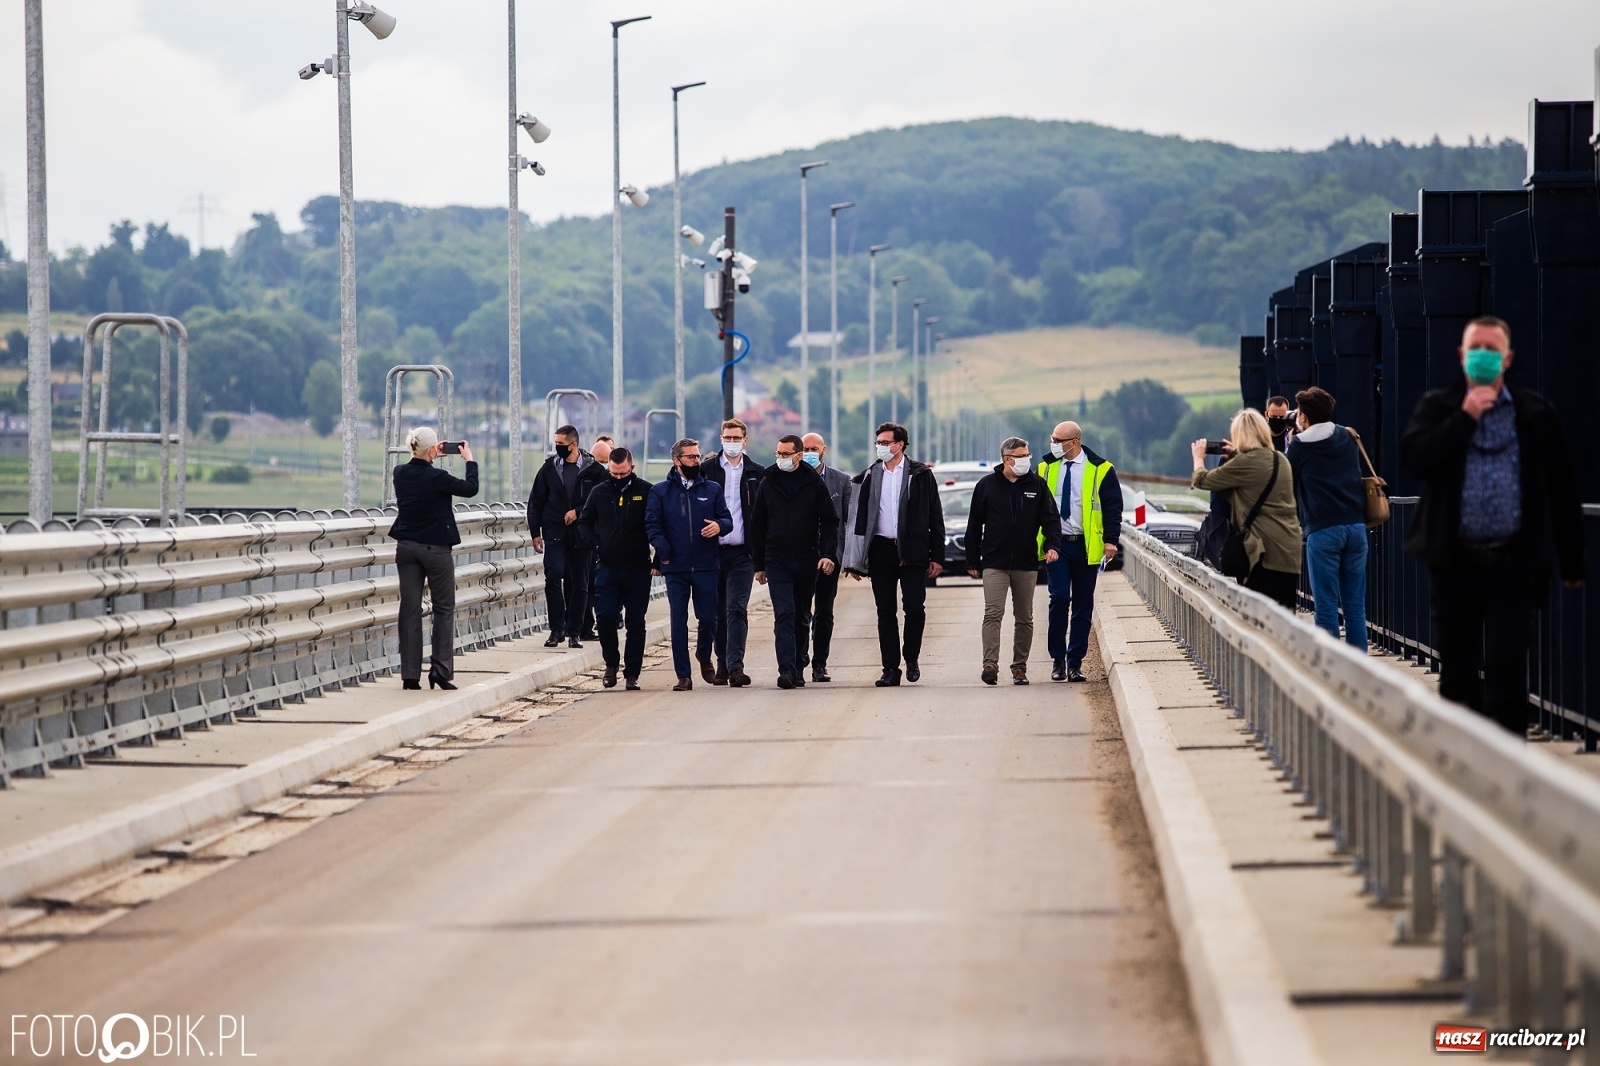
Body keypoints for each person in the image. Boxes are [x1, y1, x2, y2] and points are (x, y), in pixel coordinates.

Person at [1400, 316, 1585, 735]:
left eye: (1492, 348)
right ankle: (1461, 765)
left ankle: (1509, 771)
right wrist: (1464, 418)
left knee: (1507, 668)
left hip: (1513, 559)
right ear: (1463, 356)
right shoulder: (1440, 406)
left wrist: (1572, 559)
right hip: (1454, 559)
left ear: (1508, 358)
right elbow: (1415, 458)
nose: (1483, 355)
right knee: (1458, 670)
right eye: (1476, 348)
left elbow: (1561, 486)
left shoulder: (1534, 413)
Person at [849, 422, 944, 687]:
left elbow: (935, 516)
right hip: (880, 550)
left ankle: (911, 657)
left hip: (913, 550)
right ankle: (890, 668)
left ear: (900, 444)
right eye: (878, 442)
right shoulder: (870, 474)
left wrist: (937, 555)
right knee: (885, 610)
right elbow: (857, 519)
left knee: (914, 606)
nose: (880, 447)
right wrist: (854, 559)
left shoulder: (920, 474)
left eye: (885, 442)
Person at [388, 428, 478, 691]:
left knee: (410, 609)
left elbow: (418, 469)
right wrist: (469, 460)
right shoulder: (438, 477)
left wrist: (427, 454)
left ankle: (410, 675)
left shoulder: (399, 473)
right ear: (432, 450)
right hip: (435, 550)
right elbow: (470, 489)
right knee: (443, 609)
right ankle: (440, 670)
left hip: (405, 548)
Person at [966, 437, 1061, 685]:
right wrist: (972, 559)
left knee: (1024, 618)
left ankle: (1019, 667)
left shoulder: (1037, 485)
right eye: (1022, 456)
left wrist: (1052, 545)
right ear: (1007, 459)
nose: (1027, 460)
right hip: (994, 562)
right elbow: (974, 525)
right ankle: (990, 664)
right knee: (993, 613)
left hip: (1026, 562)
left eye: (1028, 455)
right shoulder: (986, 486)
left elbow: (1051, 519)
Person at [751, 434, 840, 689]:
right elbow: (757, 524)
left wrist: (827, 554)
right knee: (784, 613)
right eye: (778, 454)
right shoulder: (768, 482)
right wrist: (759, 564)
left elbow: (830, 522)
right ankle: (786, 670)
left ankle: (799, 665)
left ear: (799, 456)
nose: (781, 459)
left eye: (786, 454)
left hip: (807, 558)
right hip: (776, 558)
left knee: (801, 615)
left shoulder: (813, 483)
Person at [1190, 409, 1302, 611]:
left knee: (1259, 618)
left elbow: (1203, 480)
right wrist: (1235, 454)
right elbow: (1256, 480)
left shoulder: (1244, 463)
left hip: (1261, 551)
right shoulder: (1280, 460)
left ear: (1239, 435)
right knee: (1285, 615)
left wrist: (1198, 458)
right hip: (1289, 548)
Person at [1037, 421, 1122, 682]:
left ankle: (1075, 662)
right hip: (1057, 545)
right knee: (1059, 599)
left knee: (1083, 604)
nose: (1053, 444)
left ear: (1074, 442)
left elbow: (1112, 507)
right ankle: (1057, 659)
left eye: (1057, 439)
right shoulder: (1045, 467)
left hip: (1086, 545)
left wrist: (1111, 540)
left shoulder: (1101, 469)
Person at [645, 438, 733, 691]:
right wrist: (662, 548)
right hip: (675, 566)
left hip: (706, 564)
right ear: (677, 461)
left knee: (708, 618)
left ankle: (704, 655)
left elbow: (726, 519)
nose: (697, 460)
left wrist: (719, 526)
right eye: (691, 457)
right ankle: (683, 675)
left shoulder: (712, 489)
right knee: (678, 621)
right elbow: (652, 524)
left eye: (697, 456)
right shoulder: (660, 491)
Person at [1286, 386, 1368, 651]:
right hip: (1356, 527)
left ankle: (1331, 673)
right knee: (1355, 606)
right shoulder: (1347, 436)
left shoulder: (1299, 446)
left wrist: (1291, 444)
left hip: (1323, 531)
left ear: (1304, 417)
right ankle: (1361, 670)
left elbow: (1288, 481)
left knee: (1326, 607)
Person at [578, 447, 653, 691]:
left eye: (623, 474)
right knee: (607, 616)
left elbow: (658, 524)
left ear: (631, 468)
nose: (618, 478)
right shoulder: (599, 492)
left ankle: (632, 673)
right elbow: (585, 521)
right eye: (614, 473)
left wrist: (658, 555)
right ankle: (611, 664)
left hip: (638, 568)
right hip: (608, 567)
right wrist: (597, 544)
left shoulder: (646, 491)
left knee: (635, 623)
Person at [527, 424, 605, 649]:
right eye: (556, 444)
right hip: (555, 533)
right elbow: (536, 501)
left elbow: (600, 500)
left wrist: (579, 513)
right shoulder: (549, 469)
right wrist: (535, 532)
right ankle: (556, 629)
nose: (557, 448)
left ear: (574, 444)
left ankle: (575, 632)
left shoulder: (594, 470)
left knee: (580, 584)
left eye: (561, 444)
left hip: (583, 535)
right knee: (553, 577)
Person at [704, 418, 764, 687]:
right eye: (727, 438)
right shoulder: (707, 471)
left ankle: (736, 666)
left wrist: (762, 558)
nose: (731, 442)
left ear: (745, 440)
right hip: (711, 553)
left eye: (735, 438)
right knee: (716, 611)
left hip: (742, 553)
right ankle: (721, 663)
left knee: (736, 608)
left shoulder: (756, 473)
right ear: (720, 438)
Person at [800, 431, 853, 682]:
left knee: (824, 612)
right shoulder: (789, 479)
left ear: (823, 450)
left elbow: (849, 522)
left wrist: (847, 558)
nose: (809, 453)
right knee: (799, 611)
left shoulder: (841, 481)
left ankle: (819, 663)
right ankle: (798, 659)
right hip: (799, 557)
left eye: (814, 448)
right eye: (805, 448)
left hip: (830, 557)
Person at [577, 434, 615, 642]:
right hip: (588, 542)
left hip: (607, 543)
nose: (603, 467)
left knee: (600, 586)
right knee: (586, 584)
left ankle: (599, 622)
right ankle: (583, 625)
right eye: (599, 461)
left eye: (605, 462)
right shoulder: (587, 479)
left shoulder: (616, 482)